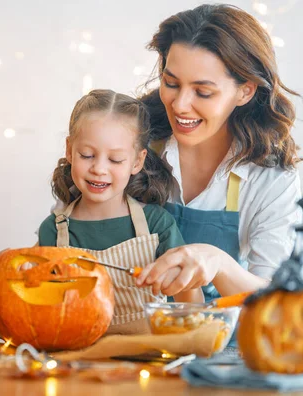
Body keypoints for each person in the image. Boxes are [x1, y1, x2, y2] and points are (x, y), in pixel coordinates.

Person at [135, 4, 303, 303]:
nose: (180, 105)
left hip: (226, 346)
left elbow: (278, 303)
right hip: (133, 342)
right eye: (171, 83)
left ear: (245, 91)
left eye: (203, 92)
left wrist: (218, 263)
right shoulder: (132, 142)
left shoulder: (270, 178)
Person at [38, 89, 193, 335]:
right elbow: (41, 309)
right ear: (69, 150)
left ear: (136, 162)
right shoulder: (53, 232)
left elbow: (191, 303)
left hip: (147, 362)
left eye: (115, 160)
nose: (99, 169)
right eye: (87, 155)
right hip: (77, 364)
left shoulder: (156, 224)